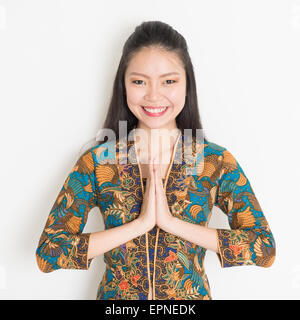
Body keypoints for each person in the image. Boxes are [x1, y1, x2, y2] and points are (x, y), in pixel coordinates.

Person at [35, 20, 276, 300]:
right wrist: (139, 225)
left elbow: (263, 248)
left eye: (169, 81)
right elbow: (49, 253)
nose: (153, 95)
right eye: (139, 81)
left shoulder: (215, 161)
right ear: (124, 85)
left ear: (187, 85)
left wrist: (172, 223)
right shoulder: (98, 162)